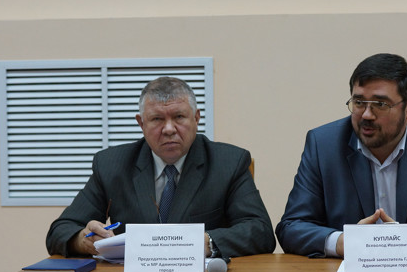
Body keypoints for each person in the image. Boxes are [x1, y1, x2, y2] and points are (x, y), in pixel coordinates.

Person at [276, 53, 407, 258]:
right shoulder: (323, 145)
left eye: (380, 104)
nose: (367, 115)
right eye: (359, 102)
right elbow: (292, 226)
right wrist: (343, 242)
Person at [47, 77, 276, 258]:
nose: (168, 129)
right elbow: (60, 230)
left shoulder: (228, 162)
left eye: (179, 117)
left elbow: (261, 231)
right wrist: (83, 240)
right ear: (141, 123)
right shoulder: (112, 165)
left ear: (196, 119)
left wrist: (206, 242)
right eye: (157, 119)